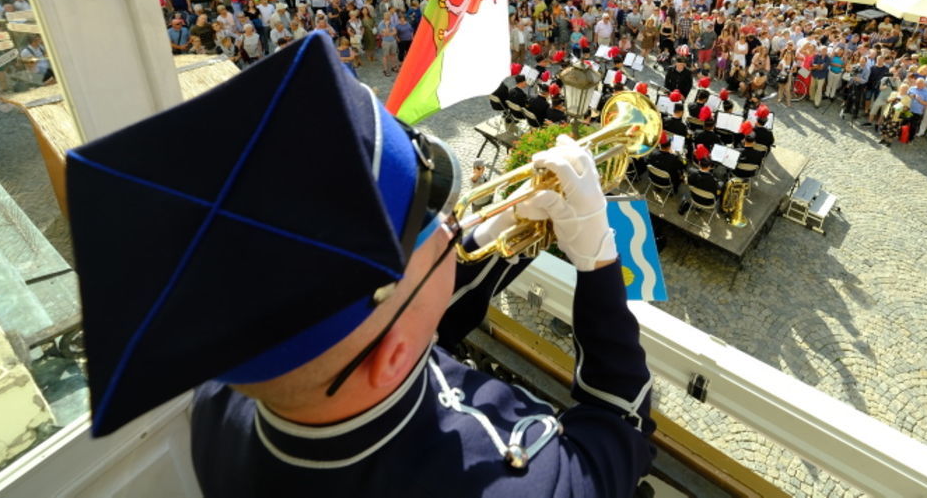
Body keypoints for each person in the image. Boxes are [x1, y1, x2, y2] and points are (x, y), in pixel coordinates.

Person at [64, 33, 655, 497]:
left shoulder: (223, 398)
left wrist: (499, 237)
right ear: (394, 355)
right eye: (437, 226)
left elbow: (386, 326)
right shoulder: (527, 482)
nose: (456, 227)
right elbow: (620, 423)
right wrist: (598, 260)